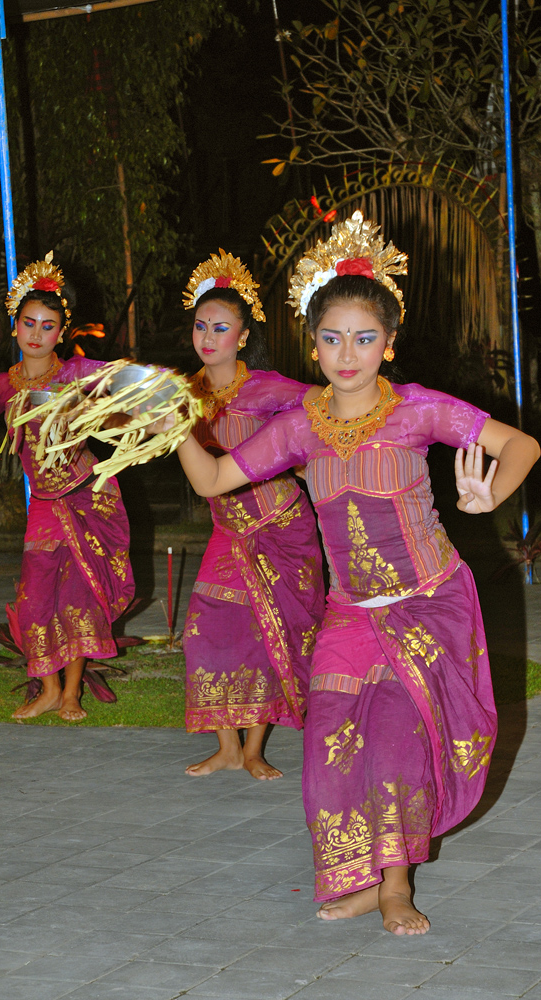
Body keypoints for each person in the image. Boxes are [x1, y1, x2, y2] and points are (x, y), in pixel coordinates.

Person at [168, 212, 540, 933]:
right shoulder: (300, 424)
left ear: (388, 344)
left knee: (397, 743)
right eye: (333, 338)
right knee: (328, 756)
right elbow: (215, 479)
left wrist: (490, 492)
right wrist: (175, 425)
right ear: (314, 344)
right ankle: (362, 877)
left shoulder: (417, 410)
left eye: (365, 338)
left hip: (426, 602)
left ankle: (394, 886)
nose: (348, 353)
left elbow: (518, 444)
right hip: (349, 613)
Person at [0, 252, 135, 721]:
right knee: (34, 599)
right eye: (28, 323)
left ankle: (70, 694)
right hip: (46, 504)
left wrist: (90, 412)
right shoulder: (6, 384)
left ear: (61, 333)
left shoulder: (77, 374)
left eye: (47, 326)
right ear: (15, 326)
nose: (36, 334)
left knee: (81, 594)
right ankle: (47, 688)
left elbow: (127, 401)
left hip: (88, 493)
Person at [180, 250, 325, 779]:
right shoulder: (183, 394)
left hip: (283, 527)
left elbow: (324, 410)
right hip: (227, 530)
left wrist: (317, 469)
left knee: (273, 633)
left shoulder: (266, 387)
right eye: (201, 325)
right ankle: (225, 745)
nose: (208, 336)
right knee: (205, 627)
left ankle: (254, 749)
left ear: (242, 337)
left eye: (221, 327)